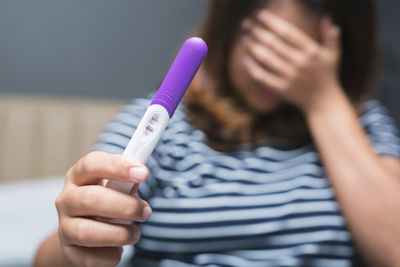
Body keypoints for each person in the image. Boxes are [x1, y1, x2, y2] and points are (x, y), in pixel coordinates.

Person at [35, 0, 400, 266]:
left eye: (296, 52)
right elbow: (62, 244)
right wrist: (74, 244)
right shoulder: (164, 125)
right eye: (262, 42)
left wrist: (323, 102)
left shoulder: (362, 126)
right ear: (230, 27)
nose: (274, 69)